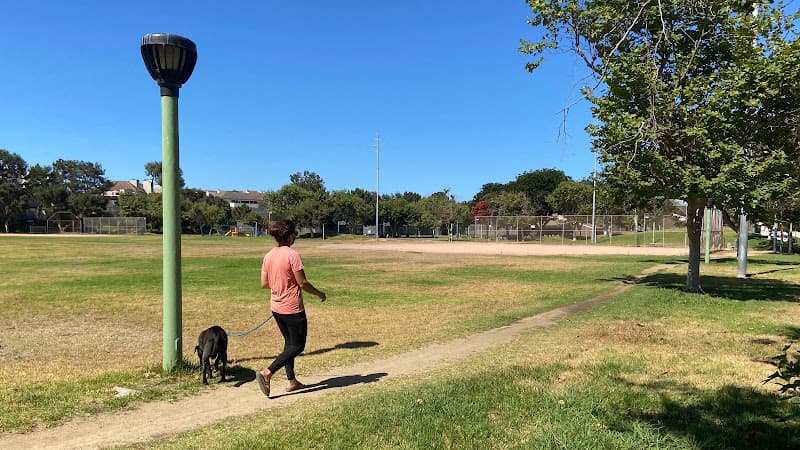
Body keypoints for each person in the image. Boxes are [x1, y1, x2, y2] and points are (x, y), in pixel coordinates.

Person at [256, 219, 326, 398]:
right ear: (290, 235)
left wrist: (280, 282)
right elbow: (302, 283)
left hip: (276, 307)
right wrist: (319, 294)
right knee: (297, 346)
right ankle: (267, 373)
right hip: (292, 308)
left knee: (289, 344)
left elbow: (264, 284)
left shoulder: (269, 255)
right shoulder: (292, 255)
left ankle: (291, 381)